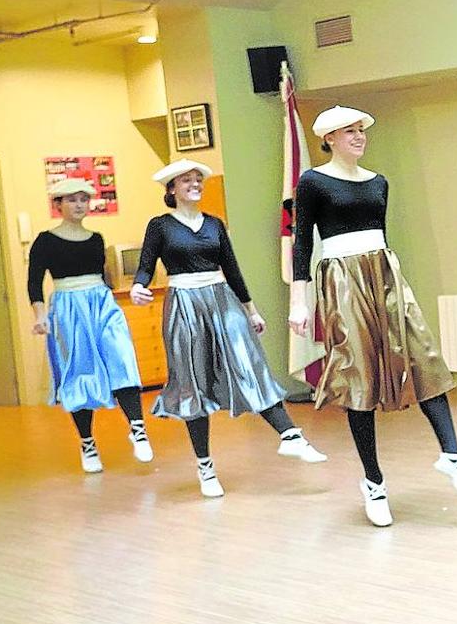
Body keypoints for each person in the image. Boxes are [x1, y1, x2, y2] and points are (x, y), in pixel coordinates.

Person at [289, 106, 457, 529]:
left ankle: (453, 455)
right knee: (360, 375)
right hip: (341, 280)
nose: (359, 136)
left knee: (422, 354)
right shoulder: (313, 182)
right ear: (330, 138)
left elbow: (382, 236)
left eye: (361, 130)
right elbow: (302, 243)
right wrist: (298, 303)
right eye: (350, 131)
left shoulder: (379, 182)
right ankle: (373, 482)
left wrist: (390, 281)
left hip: (385, 275)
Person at [131, 159, 326, 498]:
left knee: (250, 364)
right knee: (193, 382)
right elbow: (145, 267)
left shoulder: (214, 225)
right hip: (184, 305)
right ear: (172, 189)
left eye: (198, 179)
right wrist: (138, 287)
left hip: (222, 301)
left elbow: (231, 269)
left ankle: (290, 436)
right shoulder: (159, 226)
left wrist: (250, 310)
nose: (195, 184)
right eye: (187, 180)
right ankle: (205, 467)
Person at [29, 178, 153, 473]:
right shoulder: (45, 241)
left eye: (83, 199)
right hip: (69, 308)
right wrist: (40, 315)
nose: (79, 205)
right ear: (58, 205)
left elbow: (102, 276)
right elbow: (34, 284)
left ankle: (137, 427)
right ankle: (87, 443)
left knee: (121, 357)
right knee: (80, 372)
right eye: (71, 200)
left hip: (101, 302)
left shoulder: (97, 238)